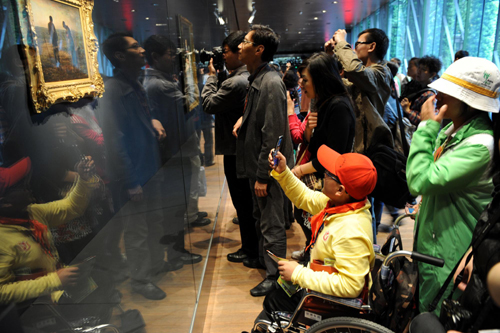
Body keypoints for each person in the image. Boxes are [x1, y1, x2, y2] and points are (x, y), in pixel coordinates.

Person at [406, 56, 499, 314]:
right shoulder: (454, 132)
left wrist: (425, 128)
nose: (439, 95)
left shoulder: (480, 146)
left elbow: (419, 180)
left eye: (449, 91)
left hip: (451, 258)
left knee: (437, 319)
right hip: (435, 247)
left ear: (469, 102)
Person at [249, 144, 376, 328]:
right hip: (318, 274)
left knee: (273, 301)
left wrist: (299, 274)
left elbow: (350, 286)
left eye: (329, 173)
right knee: (278, 290)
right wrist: (284, 172)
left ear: (340, 190)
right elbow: (306, 197)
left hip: (332, 303)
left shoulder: (351, 230)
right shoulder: (342, 206)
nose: (324, 172)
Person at [98, 32, 167, 300]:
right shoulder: (113, 90)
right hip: (136, 173)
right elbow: (115, 139)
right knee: (137, 231)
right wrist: (130, 181)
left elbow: (138, 120)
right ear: (119, 56)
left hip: (149, 167)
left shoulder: (133, 83)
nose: (141, 50)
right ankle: (140, 280)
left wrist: (153, 122)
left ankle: (154, 267)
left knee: (154, 223)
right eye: (134, 46)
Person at [233, 24, 294, 297]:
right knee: (261, 217)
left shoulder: (269, 83)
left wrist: (263, 175)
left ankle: (276, 277)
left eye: (245, 42)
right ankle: (263, 260)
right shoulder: (258, 78)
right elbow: (260, 123)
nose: (239, 47)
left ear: (259, 49)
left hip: (267, 170)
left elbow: (273, 136)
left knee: (271, 222)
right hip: (257, 166)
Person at [142, 35, 207, 269]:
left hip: (172, 152)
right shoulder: (160, 84)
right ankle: (176, 255)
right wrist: (192, 75)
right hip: (176, 153)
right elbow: (192, 104)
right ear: (156, 57)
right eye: (171, 54)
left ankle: (174, 253)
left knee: (174, 209)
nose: (174, 58)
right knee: (175, 209)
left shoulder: (156, 81)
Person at [0, 157, 95, 305]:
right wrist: (54, 281)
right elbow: (2, 292)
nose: (26, 186)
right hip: (35, 310)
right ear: (4, 203)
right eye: (17, 186)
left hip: (57, 293)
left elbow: (72, 207)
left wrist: (82, 179)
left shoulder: (31, 213)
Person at [289, 52, 356, 259]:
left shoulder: (339, 107)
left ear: (320, 78)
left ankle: (315, 261)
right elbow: (316, 142)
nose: (302, 85)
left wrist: (299, 170)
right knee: (306, 217)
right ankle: (312, 254)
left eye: (306, 80)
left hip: (329, 179)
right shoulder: (325, 102)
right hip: (320, 174)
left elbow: (332, 157)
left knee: (316, 221)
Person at [201, 31, 260, 267]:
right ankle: (250, 249)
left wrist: (211, 77)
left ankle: (251, 251)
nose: (223, 56)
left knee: (243, 204)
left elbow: (209, 104)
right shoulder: (242, 77)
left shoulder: (236, 82)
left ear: (239, 52)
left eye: (225, 52)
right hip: (239, 148)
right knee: (245, 204)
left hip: (236, 151)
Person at [325, 28, 393, 154]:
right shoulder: (360, 79)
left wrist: (341, 41)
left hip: (371, 152)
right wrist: (329, 57)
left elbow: (353, 69)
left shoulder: (381, 73)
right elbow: (334, 83)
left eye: (357, 44)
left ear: (372, 46)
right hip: (355, 148)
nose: (354, 49)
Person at [401, 55, 442, 126]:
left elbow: (427, 121)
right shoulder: (417, 86)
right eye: (419, 68)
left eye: (423, 70)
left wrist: (408, 110)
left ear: (432, 74)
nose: (419, 72)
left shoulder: (430, 95)